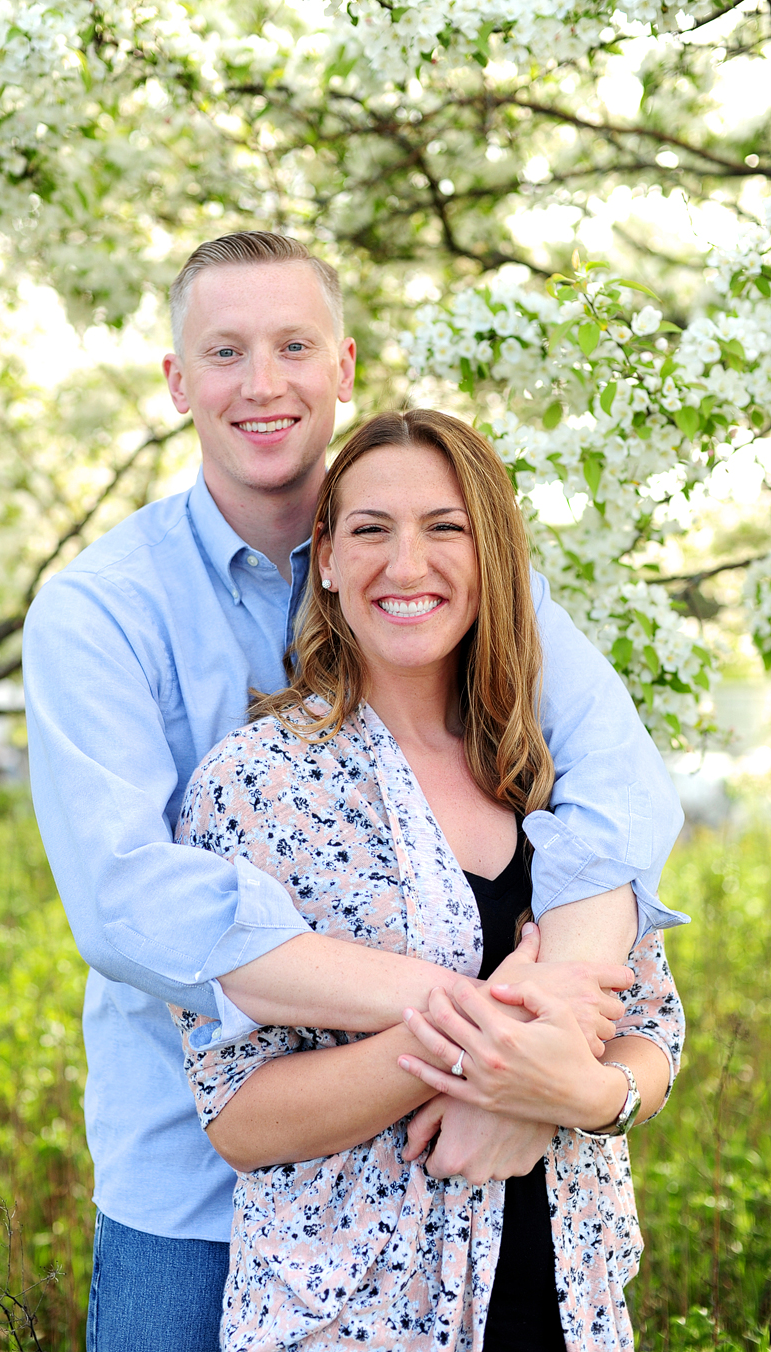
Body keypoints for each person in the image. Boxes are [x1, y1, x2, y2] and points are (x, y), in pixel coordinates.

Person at [21, 232, 686, 1351]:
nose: (263, 382)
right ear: (178, 382)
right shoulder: (103, 612)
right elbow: (131, 902)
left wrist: (545, 1082)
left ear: (344, 364)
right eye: (224, 351)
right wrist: (485, 1027)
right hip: (191, 1187)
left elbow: (619, 794)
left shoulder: (446, 572)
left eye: (293, 344)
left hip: (496, 1214)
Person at [170, 409, 684, 1351]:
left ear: (494, 557)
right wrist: (480, 1043)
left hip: (572, 1300)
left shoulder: (553, 772)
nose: (407, 566)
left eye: (444, 528)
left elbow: (650, 1031)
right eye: (370, 529)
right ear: (323, 558)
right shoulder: (258, 784)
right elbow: (239, 1117)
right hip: (353, 1318)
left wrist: (580, 1098)